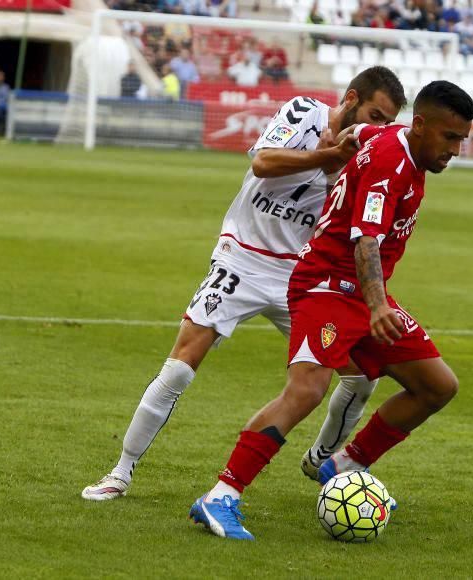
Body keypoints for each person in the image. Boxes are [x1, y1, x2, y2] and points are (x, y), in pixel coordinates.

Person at [81, 67, 407, 502]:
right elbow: (263, 162)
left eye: (387, 121)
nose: (378, 127)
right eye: (374, 114)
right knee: (180, 364)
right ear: (350, 99)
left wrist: (343, 168)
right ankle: (119, 472)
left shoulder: (365, 155)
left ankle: (323, 460)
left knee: (362, 376)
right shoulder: (304, 112)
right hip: (243, 259)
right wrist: (324, 159)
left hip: (303, 276)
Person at [189, 80, 473, 541]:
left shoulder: (387, 136)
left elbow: (357, 136)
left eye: (462, 139)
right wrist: (380, 306)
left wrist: (341, 142)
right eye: (450, 137)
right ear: (421, 126)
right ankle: (221, 495)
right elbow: (366, 240)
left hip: (361, 292)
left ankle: (344, 465)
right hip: (326, 286)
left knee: (437, 386)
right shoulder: (390, 165)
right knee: (307, 389)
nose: (457, 149)